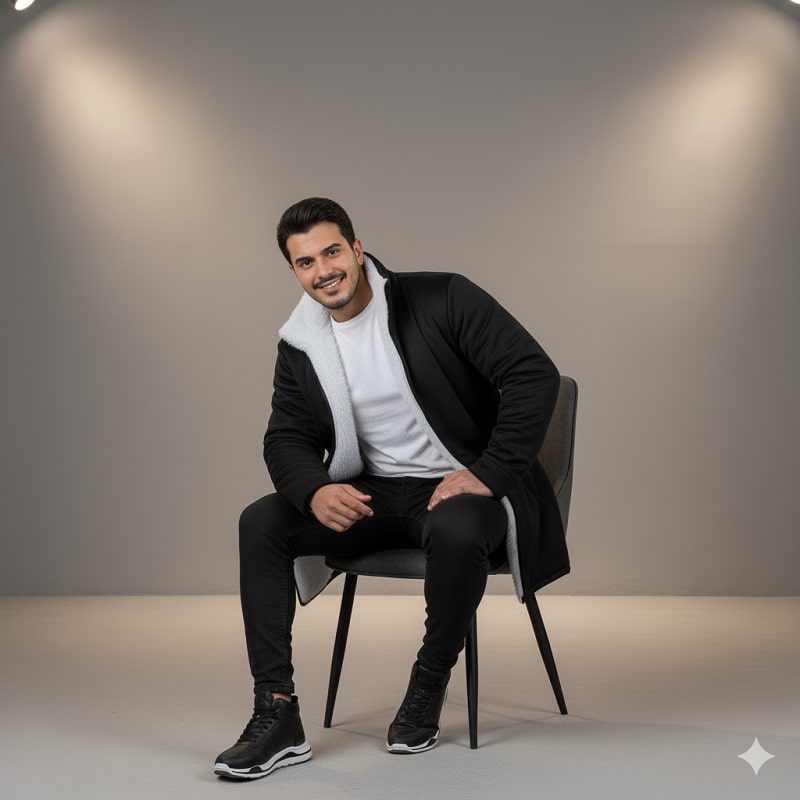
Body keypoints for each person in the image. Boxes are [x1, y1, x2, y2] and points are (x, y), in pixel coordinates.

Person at [214, 197, 569, 779]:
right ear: (294, 271)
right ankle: (276, 712)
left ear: (357, 250)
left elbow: (533, 374)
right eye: (306, 262)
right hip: (374, 494)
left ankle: (428, 682)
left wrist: (488, 472)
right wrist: (313, 491)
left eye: (332, 252)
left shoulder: (441, 297)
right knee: (261, 522)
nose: (323, 270)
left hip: (459, 488)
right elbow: (286, 437)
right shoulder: (300, 344)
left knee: (457, 528)